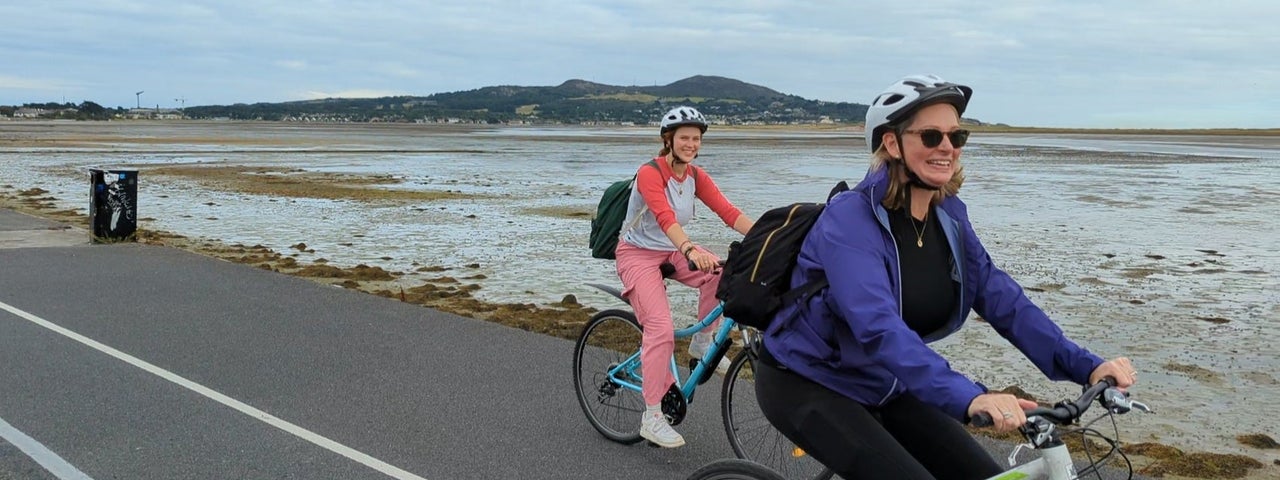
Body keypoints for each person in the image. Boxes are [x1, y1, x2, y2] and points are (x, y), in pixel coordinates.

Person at [753, 75, 1140, 479]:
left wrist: (1087, 367)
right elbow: (878, 328)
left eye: (957, 137)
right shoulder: (849, 221)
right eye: (932, 135)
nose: (947, 148)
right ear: (891, 142)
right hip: (809, 383)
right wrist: (970, 398)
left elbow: (1003, 300)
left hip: (886, 381)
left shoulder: (949, 216)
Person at [615, 105, 755, 448]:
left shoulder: (695, 176)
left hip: (670, 249)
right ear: (669, 140)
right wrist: (692, 250)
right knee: (660, 327)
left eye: (696, 138)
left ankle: (702, 342)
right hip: (637, 254)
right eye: (684, 138)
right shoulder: (650, 173)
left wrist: (770, 236)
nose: (691, 144)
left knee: (721, 276)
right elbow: (665, 218)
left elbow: (728, 211)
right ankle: (651, 416)